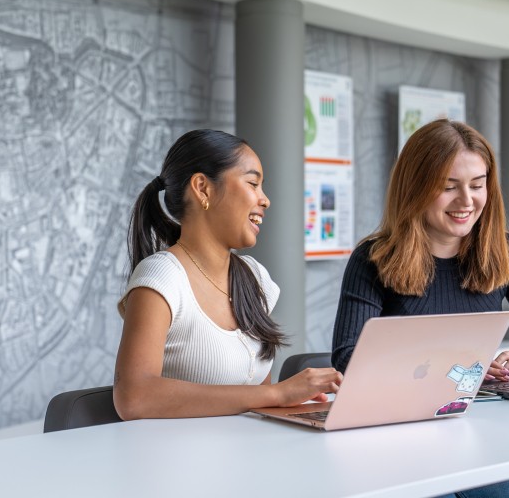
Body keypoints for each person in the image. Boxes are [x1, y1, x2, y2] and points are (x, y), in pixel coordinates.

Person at [331, 119, 509, 498]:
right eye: (448, 187)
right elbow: (347, 357)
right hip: (398, 436)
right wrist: (455, 366)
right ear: (416, 188)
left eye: (478, 185)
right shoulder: (374, 259)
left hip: (480, 432)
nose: (467, 201)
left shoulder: (507, 253)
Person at [113, 129, 342, 420]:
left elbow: (257, 405)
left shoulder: (255, 278)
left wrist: (291, 404)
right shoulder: (161, 278)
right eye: (252, 183)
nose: (265, 200)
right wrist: (278, 394)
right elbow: (133, 397)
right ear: (203, 188)